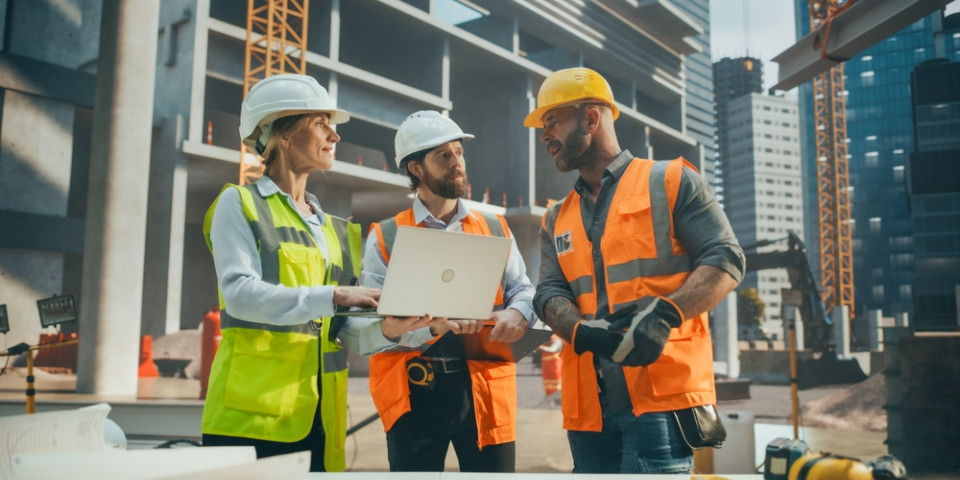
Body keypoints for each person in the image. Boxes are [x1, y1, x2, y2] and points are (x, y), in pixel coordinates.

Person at [200, 74, 440, 472]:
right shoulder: (238, 203)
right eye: (320, 123)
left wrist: (400, 329)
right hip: (251, 417)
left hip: (322, 417)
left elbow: (341, 330)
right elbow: (240, 294)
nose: (335, 135)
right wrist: (333, 295)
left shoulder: (334, 229)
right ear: (283, 135)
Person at [526, 67, 745, 474]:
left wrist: (664, 314)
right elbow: (548, 293)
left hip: (660, 403)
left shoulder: (673, 181)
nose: (544, 136)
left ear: (591, 119)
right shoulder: (556, 218)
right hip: (588, 409)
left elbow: (726, 259)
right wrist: (580, 331)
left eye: (552, 121)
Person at [360, 110, 537, 472]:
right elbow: (372, 329)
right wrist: (433, 327)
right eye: (444, 155)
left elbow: (523, 289)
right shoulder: (386, 236)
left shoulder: (493, 225)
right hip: (415, 391)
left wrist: (517, 312)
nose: (457, 163)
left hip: (484, 387)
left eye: (459, 152)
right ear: (416, 169)